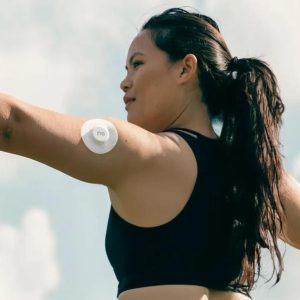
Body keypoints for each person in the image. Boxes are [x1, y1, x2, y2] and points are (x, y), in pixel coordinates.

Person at [0, 7, 300, 300]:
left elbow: (12, 123)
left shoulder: (141, 153)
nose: (124, 82)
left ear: (185, 68)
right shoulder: (260, 175)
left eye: (138, 64)